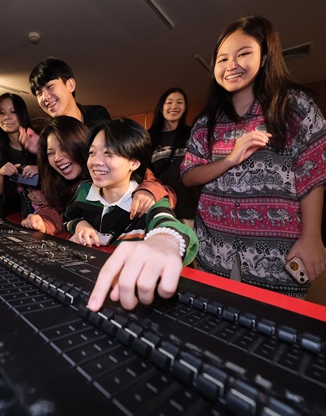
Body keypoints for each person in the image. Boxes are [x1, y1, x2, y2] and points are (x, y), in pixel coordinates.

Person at [180, 15, 326, 298]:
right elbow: (189, 174)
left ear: (265, 58)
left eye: (243, 54)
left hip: (277, 250)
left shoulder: (295, 108)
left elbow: (313, 174)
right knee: (213, 314)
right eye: (222, 59)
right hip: (214, 246)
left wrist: (312, 236)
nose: (231, 65)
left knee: (274, 320)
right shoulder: (206, 122)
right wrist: (231, 159)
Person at [59, 118, 197, 311]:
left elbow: (166, 222)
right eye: (92, 152)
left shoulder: (148, 201)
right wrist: (80, 225)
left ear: (134, 162)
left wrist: (166, 240)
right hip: (89, 287)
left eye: (109, 153)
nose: (96, 161)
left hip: (134, 298)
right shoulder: (84, 191)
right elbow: (68, 218)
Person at [21, 116, 176, 235]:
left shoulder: (118, 170)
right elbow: (58, 212)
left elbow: (161, 190)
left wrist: (148, 191)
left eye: (63, 148)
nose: (57, 158)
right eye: (50, 153)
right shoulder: (63, 183)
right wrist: (43, 222)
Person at [148, 87, 201, 227]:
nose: (174, 106)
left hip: (190, 208)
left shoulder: (193, 134)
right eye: (169, 102)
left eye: (179, 102)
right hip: (160, 207)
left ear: (185, 108)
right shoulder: (149, 138)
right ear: (161, 108)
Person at [0, 93, 41, 216]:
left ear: (22, 114)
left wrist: (41, 169)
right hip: (16, 218)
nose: (7, 117)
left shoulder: (40, 140)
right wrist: (0, 174)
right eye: (2, 113)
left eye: (13, 111)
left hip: (49, 217)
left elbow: (64, 173)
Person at [29, 57, 110, 126]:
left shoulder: (98, 114)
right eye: (39, 93)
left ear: (70, 85)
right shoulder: (50, 135)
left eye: (50, 87)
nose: (45, 97)